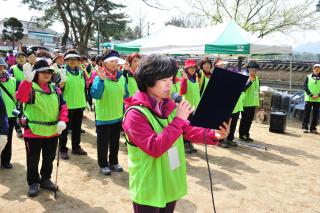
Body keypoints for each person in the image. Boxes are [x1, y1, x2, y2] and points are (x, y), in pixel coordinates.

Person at [122, 54, 230, 213]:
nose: (170, 84)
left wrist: (214, 134)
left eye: (171, 79)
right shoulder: (135, 114)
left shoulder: (168, 106)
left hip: (169, 179)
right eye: (164, 80)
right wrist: (179, 119)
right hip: (149, 184)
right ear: (148, 80)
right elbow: (154, 148)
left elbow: (187, 130)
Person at [16, 60, 68, 197]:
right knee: (33, 159)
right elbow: (20, 97)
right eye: (43, 72)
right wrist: (26, 82)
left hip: (52, 132)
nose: (47, 74)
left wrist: (62, 120)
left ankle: (45, 179)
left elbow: (63, 106)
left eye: (49, 72)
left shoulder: (55, 89)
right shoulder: (30, 87)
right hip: (33, 132)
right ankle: (33, 182)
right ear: (36, 74)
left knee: (48, 158)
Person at [91, 50, 128, 175]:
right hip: (104, 117)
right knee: (103, 143)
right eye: (111, 61)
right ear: (105, 63)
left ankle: (113, 161)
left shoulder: (121, 78)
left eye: (116, 61)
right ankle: (103, 164)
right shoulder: (99, 77)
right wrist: (101, 80)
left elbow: (126, 95)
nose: (114, 63)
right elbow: (95, 95)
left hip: (117, 116)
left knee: (115, 141)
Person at [58, 50, 87, 159]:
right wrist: (62, 81)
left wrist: (85, 102)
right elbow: (58, 89)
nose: (72, 61)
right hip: (67, 106)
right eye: (70, 59)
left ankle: (76, 147)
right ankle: (62, 149)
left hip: (79, 105)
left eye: (75, 59)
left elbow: (83, 88)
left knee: (76, 128)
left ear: (79, 61)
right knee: (64, 129)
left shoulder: (81, 73)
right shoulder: (62, 72)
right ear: (66, 61)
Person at [180, 59, 200, 154]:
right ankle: (185, 143)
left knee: (192, 126)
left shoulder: (195, 78)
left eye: (193, 67)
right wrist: (184, 79)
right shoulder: (185, 78)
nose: (192, 69)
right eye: (190, 67)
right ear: (186, 69)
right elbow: (182, 91)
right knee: (187, 126)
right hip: (187, 108)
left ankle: (190, 143)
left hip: (194, 107)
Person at [0, 57, 17, 168]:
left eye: (1, 66)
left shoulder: (13, 80)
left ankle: (6, 160)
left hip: (10, 114)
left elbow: (17, 97)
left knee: (7, 138)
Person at [239, 60, 260, 142]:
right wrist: (249, 82)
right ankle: (242, 134)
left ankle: (246, 134)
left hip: (253, 102)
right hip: (245, 102)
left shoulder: (257, 78)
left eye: (255, 70)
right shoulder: (245, 77)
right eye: (252, 70)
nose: (254, 71)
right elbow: (242, 89)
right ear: (248, 69)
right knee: (244, 119)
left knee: (250, 120)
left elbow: (257, 90)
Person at [302, 63, 320, 134]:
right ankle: (305, 127)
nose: (317, 69)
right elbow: (305, 87)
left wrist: (318, 95)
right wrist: (311, 94)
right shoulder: (308, 77)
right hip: (309, 98)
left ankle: (313, 128)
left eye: (318, 68)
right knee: (306, 113)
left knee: (315, 114)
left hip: (318, 99)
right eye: (315, 68)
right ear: (313, 69)